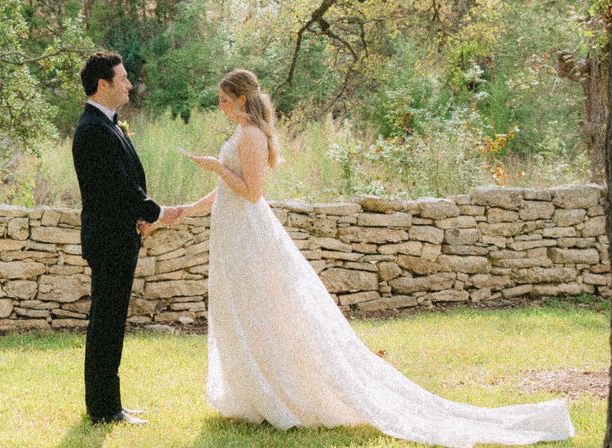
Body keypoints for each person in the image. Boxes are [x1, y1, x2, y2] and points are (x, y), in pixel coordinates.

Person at [173, 69, 575, 446]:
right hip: (235, 235)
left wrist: (215, 168)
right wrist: (186, 209)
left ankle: (282, 391)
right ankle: (257, 391)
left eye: (225, 101)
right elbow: (229, 191)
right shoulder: (242, 133)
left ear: (242, 99)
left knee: (268, 309)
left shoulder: (252, 136)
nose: (222, 108)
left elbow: (252, 191)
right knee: (246, 310)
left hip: (250, 236)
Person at [71, 50, 183, 426]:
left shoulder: (108, 124)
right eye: (122, 79)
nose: (129, 84)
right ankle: (104, 408)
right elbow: (118, 188)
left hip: (119, 236)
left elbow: (125, 183)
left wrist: (143, 215)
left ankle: (110, 403)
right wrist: (157, 213)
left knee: (112, 322)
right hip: (108, 240)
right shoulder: (92, 129)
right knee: (106, 323)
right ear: (102, 84)